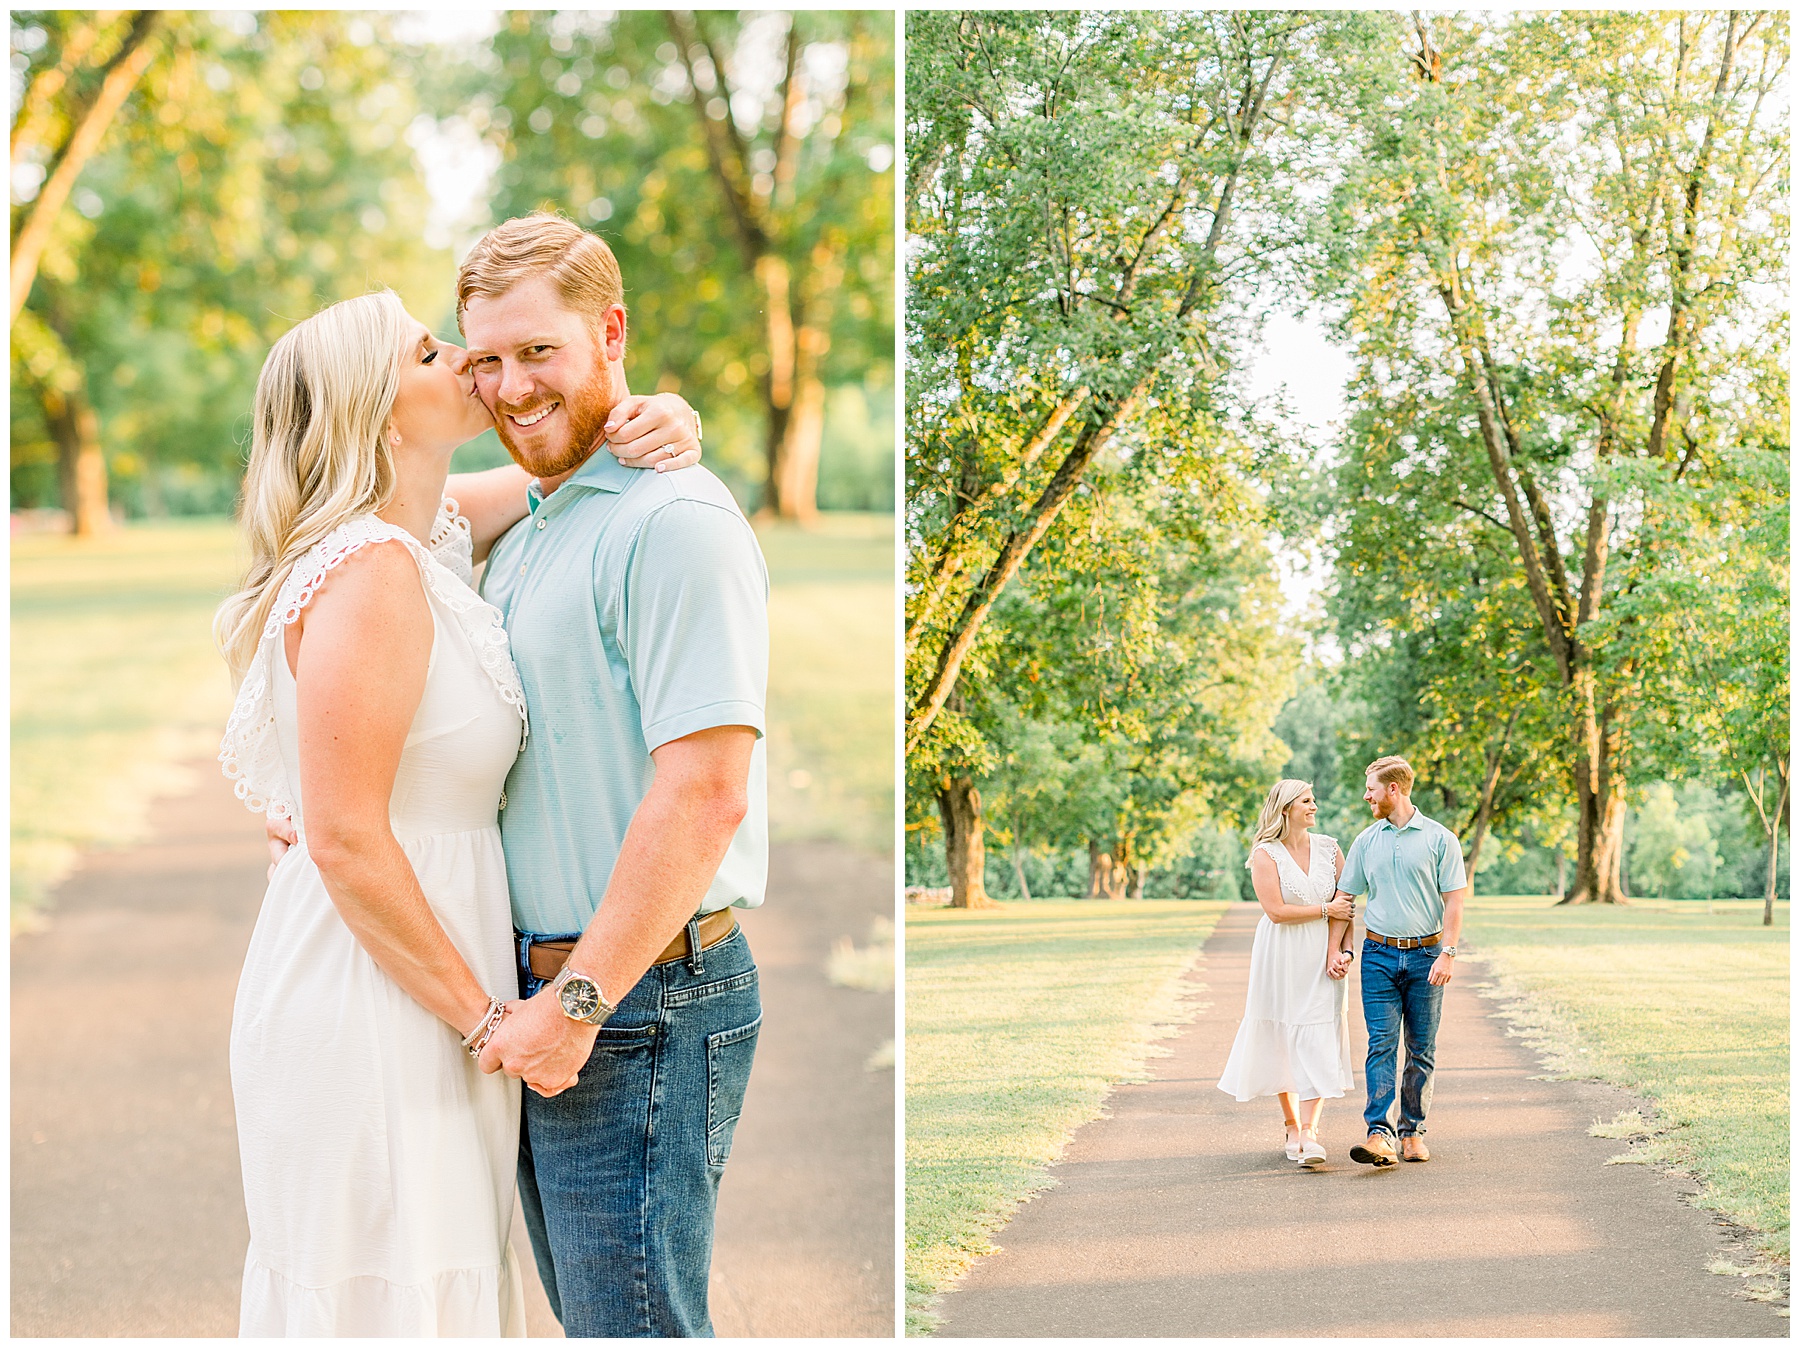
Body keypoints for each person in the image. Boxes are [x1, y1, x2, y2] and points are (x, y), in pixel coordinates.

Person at [215, 287, 701, 1335]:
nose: (471, 367)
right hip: (382, 997)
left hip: (423, 981)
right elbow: (343, 836)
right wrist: (489, 1019)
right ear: (382, 411)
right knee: (391, 1293)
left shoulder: (418, 535)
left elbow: (554, 480)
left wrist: (660, 416)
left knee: (435, 1285)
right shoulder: (373, 574)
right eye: (434, 353)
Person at [458, 214, 769, 1339]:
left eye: (539, 350)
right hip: (556, 1001)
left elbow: (706, 791)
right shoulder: (537, 524)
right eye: (484, 359)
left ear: (613, 332)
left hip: (634, 1003)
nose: (509, 383)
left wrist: (578, 1007)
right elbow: (376, 517)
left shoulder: (675, 522)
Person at [1334, 755, 1469, 1167]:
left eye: (1371, 788)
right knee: (1381, 1045)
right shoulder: (1366, 840)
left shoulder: (1440, 839)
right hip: (1377, 955)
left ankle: (1413, 1132)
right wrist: (1339, 949)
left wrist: (1447, 952)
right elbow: (1346, 899)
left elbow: (1454, 901)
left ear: (1394, 789)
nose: (1366, 796)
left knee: (1420, 1048)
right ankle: (1379, 1134)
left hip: (1427, 956)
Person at [1217, 779, 1357, 1167]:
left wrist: (1344, 950)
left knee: (1317, 1034)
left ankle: (1311, 1132)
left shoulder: (1330, 848)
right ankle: (1293, 1125)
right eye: (1307, 801)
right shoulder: (1266, 854)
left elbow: (1346, 903)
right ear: (1285, 809)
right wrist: (1326, 910)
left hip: (1323, 952)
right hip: (1281, 955)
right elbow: (1275, 911)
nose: (1314, 806)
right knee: (1284, 1033)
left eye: (1314, 799)